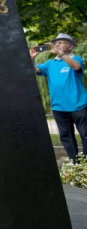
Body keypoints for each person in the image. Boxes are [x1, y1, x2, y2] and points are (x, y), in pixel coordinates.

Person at [31, 33, 87, 162]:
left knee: (85, 134)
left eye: (62, 42)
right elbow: (35, 70)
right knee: (66, 136)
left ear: (70, 47)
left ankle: (86, 162)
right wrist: (32, 58)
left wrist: (61, 54)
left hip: (79, 105)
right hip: (59, 107)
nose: (57, 44)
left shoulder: (76, 59)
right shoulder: (50, 63)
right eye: (56, 42)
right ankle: (75, 162)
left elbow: (76, 67)